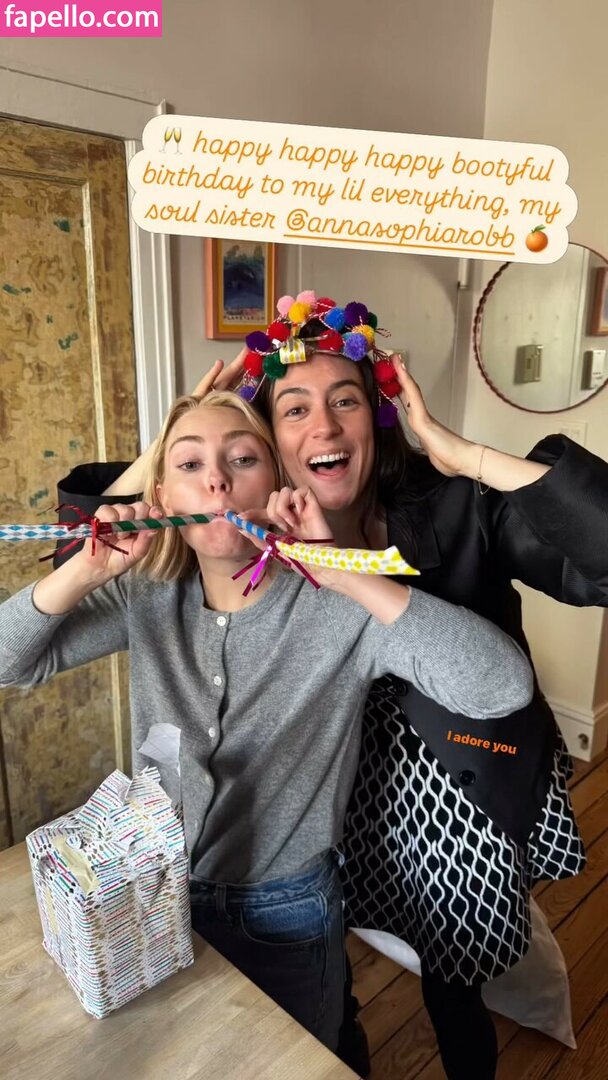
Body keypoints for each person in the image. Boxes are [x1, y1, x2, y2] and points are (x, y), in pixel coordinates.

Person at [51, 290, 608, 1080]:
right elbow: (85, 560)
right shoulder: (247, 540)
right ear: (269, 445)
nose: (324, 426)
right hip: (323, 797)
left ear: (376, 418)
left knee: (454, 981)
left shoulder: (455, 506)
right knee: (327, 967)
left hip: (452, 788)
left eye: (345, 400)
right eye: (294, 409)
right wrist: (161, 456)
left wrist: (470, 459)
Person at [0, 391, 534, 1066]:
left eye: (242, 459)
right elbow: (8, 662)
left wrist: (344, 571)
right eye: (190, 464)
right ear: (162, 499)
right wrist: (86, 568)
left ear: (280, 485)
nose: (217, 481)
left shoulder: (337, 602)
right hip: (154, 890)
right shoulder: (144, 596)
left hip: (289, 912)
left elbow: (502, 687)